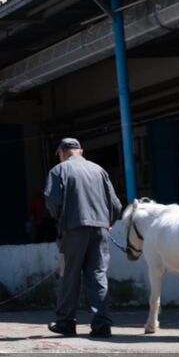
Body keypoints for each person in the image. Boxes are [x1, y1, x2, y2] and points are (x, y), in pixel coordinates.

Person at [44, 137, 123, 338]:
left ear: (62, 153)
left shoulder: (58, 171)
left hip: (73, 227)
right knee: (97, 273)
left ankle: (66, 323)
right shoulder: (99, 170)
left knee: (69, 275)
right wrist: (108, 222)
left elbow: (53, 203)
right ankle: (102, 324)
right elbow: (115, 205)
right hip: (100, 228)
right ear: (81, 151)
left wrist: (61, 221)